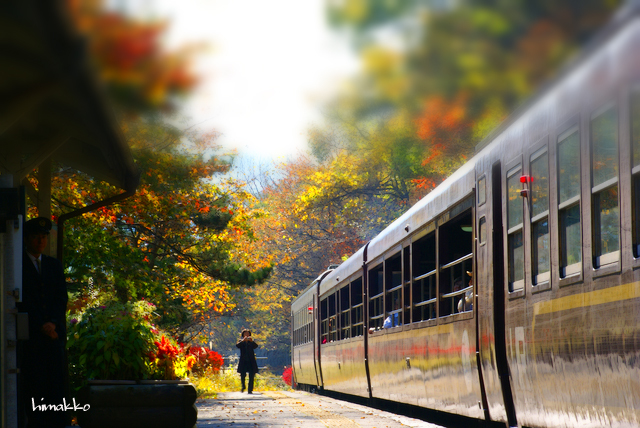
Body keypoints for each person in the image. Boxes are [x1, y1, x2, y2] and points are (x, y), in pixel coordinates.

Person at [17, 217, 68, 428]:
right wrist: (42, 325)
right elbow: (22, 301)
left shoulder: (53, 265)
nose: (40, 240)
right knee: (35, 387)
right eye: (36, 236)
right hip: (32, 339)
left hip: (54, 337)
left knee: (57, 386)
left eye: (44, 236)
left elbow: (61, 298)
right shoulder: (17, 265)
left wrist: (54, 323)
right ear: (27, 238)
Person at [236, 329, 259, 394]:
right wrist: (243, 341)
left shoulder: (251, 342)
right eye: (245, 334)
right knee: (243, 375)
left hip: (251, 361)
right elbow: (237, 346)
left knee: (252, 375)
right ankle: (243, 386)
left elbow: (256, 346)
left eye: (248, 333)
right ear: (243, 335)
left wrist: (251, 342)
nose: (246, 335)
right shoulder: (241, 341)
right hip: (243, 361)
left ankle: (250, 389)